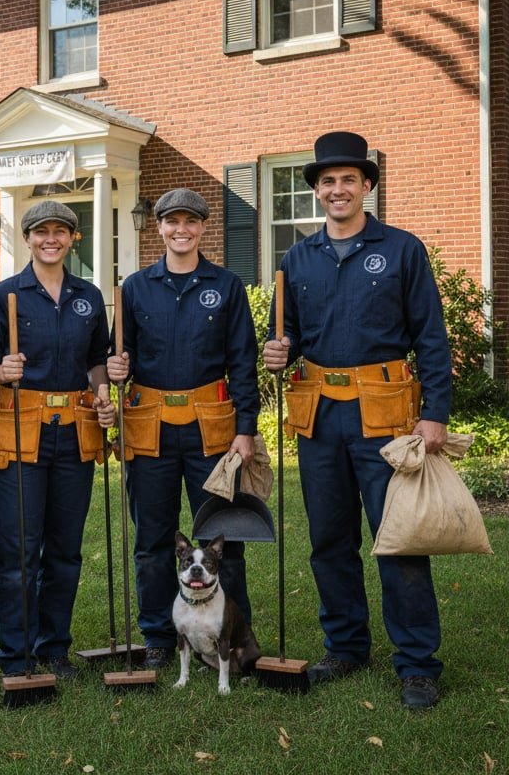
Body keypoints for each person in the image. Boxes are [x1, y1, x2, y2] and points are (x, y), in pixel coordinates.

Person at [262, 131, 452, 710]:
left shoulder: (401, 249)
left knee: (397, 538)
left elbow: (432, 338)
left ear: (366, 185)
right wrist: (279, 349)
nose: (337, 189)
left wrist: (435, 414)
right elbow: (289, 335)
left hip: (386, 417)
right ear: (317, 192)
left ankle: (417, 664)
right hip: (319, 416)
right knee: (329, 539)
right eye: (327, 182)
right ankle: (345, 646)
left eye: (348, 179)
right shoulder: (297, 258)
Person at [106, 188, 259, 668]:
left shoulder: (227, 286)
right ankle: (157, 636)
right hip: (149, 427)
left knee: (221, 536)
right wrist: (112, 369)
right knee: (152, 539)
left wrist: (246, 427)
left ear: (203, 228)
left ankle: (232, 638)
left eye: (190, 222)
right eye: (172, 222)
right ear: (159, 227)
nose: (181, 230)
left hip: (211, 429)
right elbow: (116, 360)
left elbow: (243, 361)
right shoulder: (133, 288)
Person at [0, 200, 115, 680]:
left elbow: (98, 357)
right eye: (40, 232)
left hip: (76, 432)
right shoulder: (5, 295)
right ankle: (18, 655)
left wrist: (102, 392)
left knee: (65, 549)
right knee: (18, 550)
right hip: (20, 434)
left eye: (61, 231)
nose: (50, 239)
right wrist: (0, 371)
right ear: (27, 238)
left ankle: (54, 648)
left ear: (73, 238)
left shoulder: (88, 297)